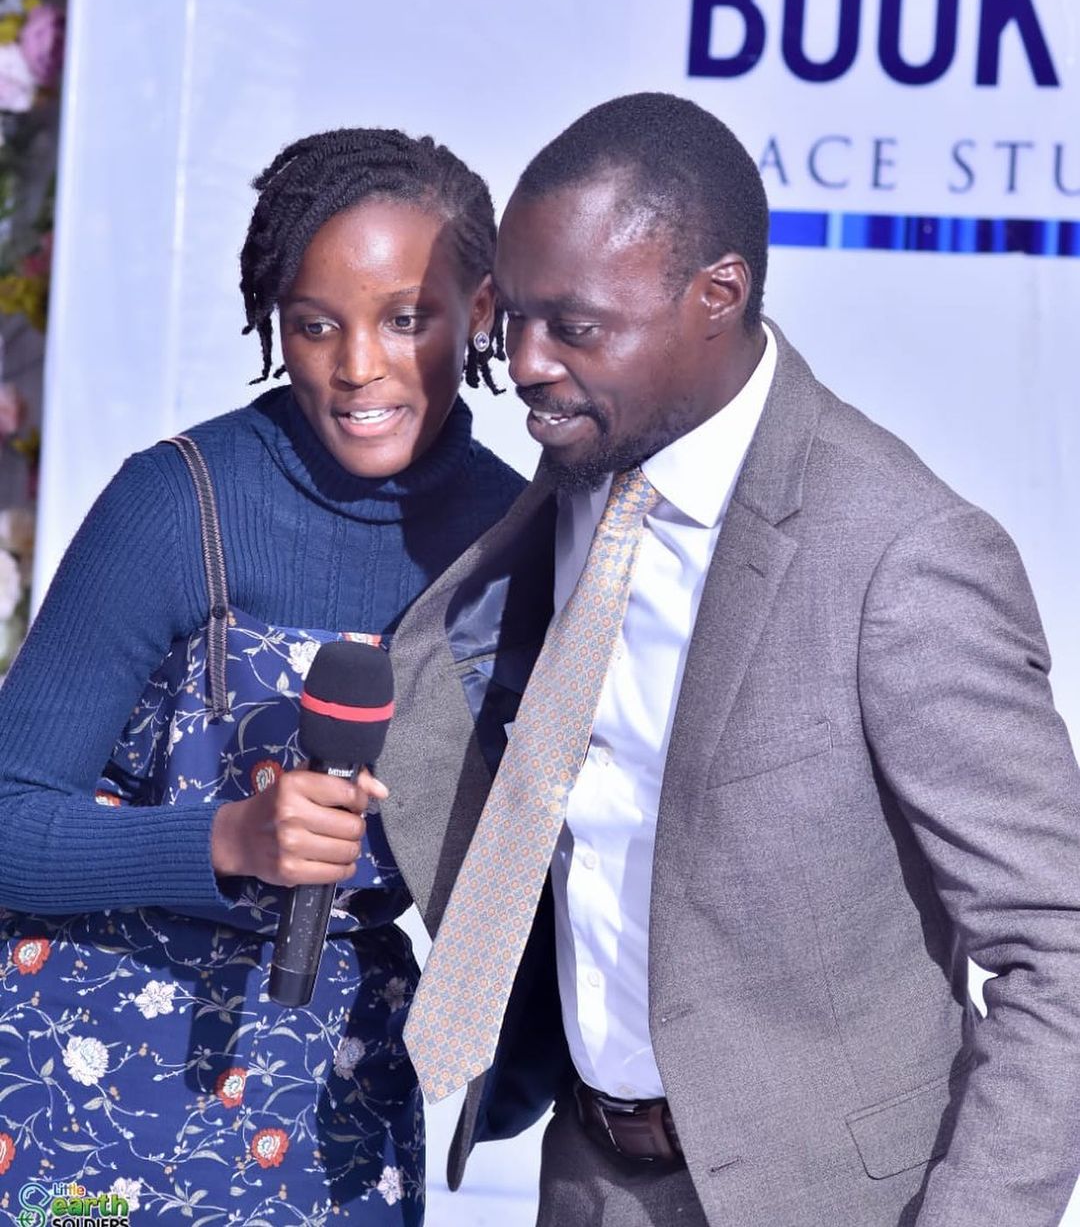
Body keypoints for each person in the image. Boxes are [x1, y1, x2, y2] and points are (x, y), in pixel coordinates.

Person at [377, 93, 1080, 1227]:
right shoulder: (574, 480)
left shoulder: (899, 555)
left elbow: (1061, 945)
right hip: (587, 1173)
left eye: (577, 327)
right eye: (515, 317)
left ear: (718, 295)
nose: (528, 364)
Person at [0, 127, 524, 1225]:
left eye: (405, 320)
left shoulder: (518, 538)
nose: (357, 365)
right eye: (314, 323)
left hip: (335, 1114)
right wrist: (225, 840)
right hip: (88, 1095)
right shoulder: (174, 503)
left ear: (480, 310)